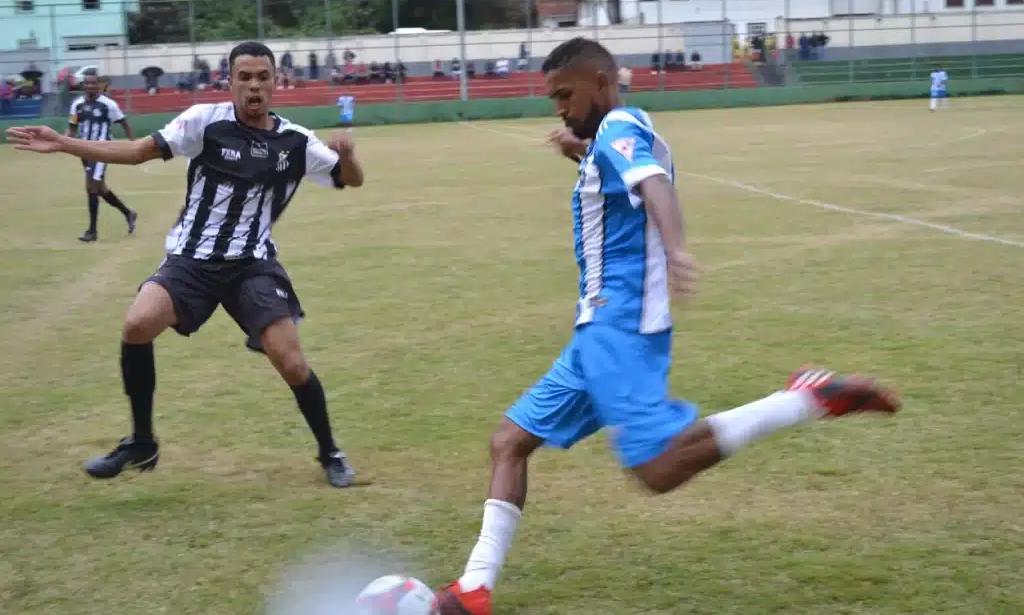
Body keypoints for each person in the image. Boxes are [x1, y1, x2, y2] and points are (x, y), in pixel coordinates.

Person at [434, 37, 901, 615]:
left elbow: (653, 183)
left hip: (620, 325)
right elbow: (622, 181)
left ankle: (804, 399)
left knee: (656, 471)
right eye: (553, 97)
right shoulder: (609, 135)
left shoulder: (619, 124)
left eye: (565, 95)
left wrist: (678, 249)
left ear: (601, 83)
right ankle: (473, 588)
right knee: (510, 442)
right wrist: (577, 153)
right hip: (595, 328)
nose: (558, 108)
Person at [6, 41, 365, 488]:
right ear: (229, 81)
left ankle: (330, 452)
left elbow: (348, 179)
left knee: (291, 363)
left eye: (263, 77)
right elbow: (137, 151)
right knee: (137, 325)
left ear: (276, 82)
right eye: (245, 77)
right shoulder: (204, 121)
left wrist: (347, 157)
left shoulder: (295, 142)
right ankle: (141, 441)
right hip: (191, 260)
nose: (254, 86)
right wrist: (63, 143)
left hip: (251, 265)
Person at [67, 73, 138, 242]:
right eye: (87, 83)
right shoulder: (77, 105)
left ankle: (92, 231)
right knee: (100, 189)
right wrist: (62, 141)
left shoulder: (108, 105)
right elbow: (71, 128)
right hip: (84, 150)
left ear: (99, 85)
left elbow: (124, 124)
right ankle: (129, 213)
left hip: (102, 150)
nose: (90, 86)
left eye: (94, 83)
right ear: (83, 85)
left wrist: (135, 145)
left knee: (91, 187)